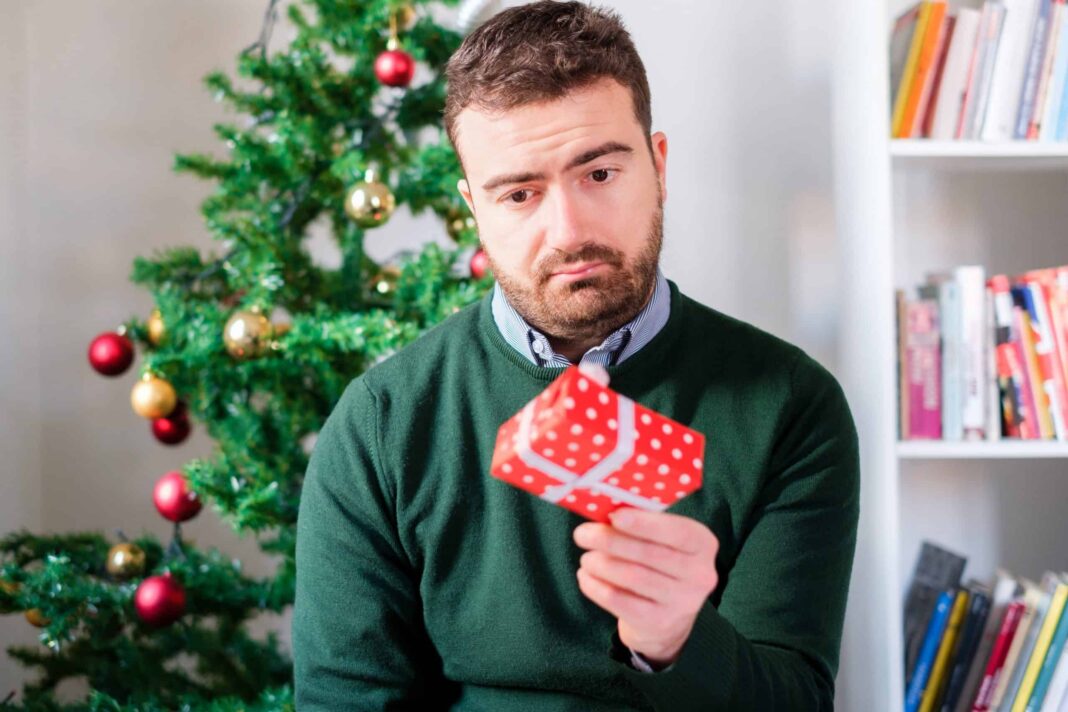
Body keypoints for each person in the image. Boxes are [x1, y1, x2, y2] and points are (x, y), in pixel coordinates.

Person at [292, 2, 860, 710]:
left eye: (598, 174)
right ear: (475, 208)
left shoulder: (789, 406)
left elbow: (794, 702)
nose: (569, 230)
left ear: (656, 165)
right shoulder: (382, 423)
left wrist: (679, 640)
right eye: (520, 193)